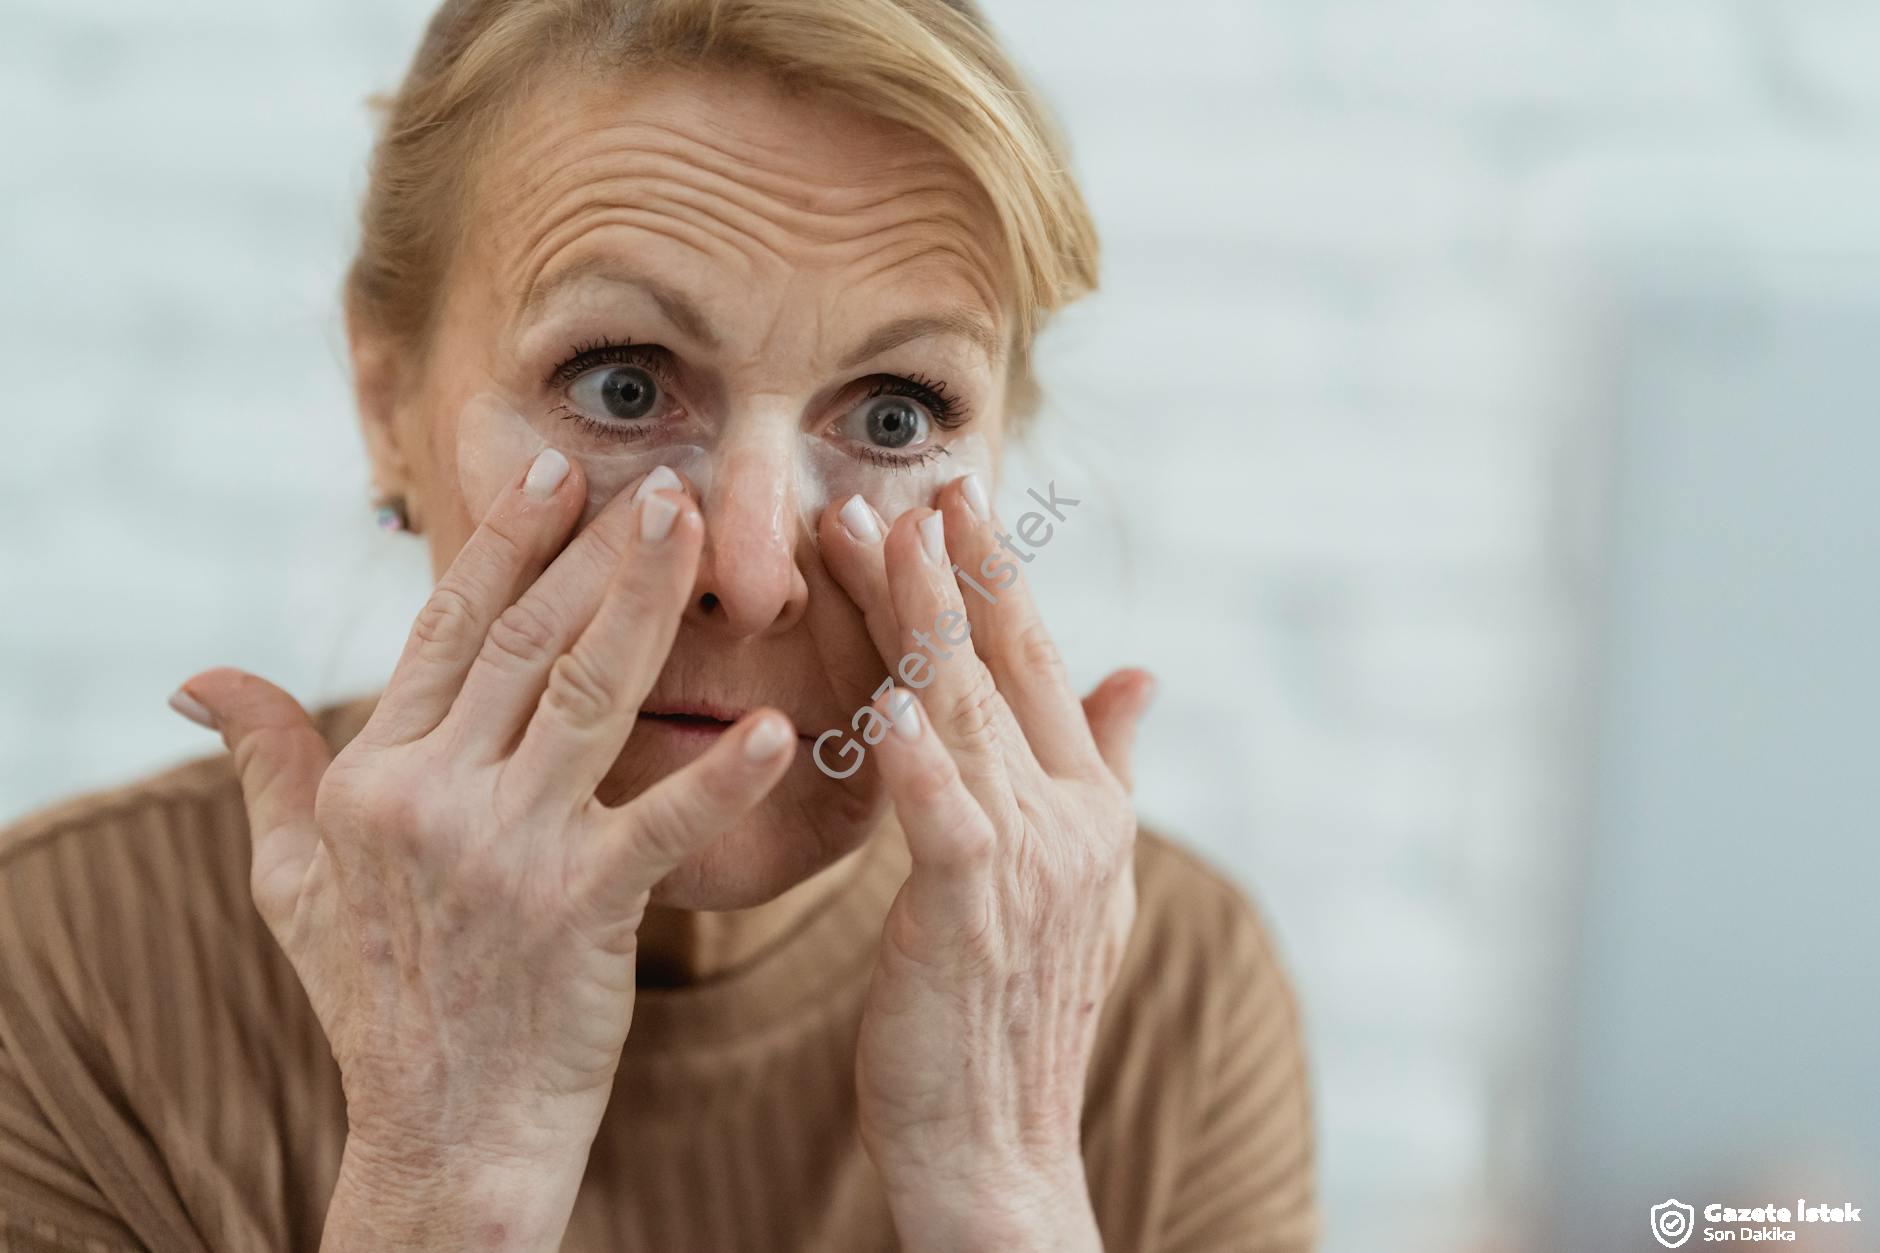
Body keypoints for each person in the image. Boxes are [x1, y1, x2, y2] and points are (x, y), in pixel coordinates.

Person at [0, 1, 1316, 1248]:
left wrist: (1007, 1195)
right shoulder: (64, 976)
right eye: (621, 386)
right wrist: (442, 1184)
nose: (749, 573)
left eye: (896, 414)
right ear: (386, 402)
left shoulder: (1169, 1002)